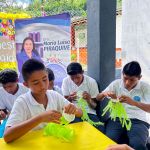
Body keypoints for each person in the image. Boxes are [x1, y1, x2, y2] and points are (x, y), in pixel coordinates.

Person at [4, 59, 82, 143]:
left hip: (54, 143)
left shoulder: (54, 95)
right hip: (33, 144)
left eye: (45, 80)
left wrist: (74, 110)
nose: (42, 86)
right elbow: (7, 136)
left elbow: (80, 113)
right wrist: (40, 118)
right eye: (36, 83)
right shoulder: (22, 102)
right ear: (26, 85)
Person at [96, 61, 150, 150]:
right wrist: (105, 94)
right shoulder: (116, 83)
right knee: (108, 142)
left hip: (138, 120)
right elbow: (98, 98)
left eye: (132, 80)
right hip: (116, 119)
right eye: (125, 78)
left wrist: (134, 103)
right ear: (122, 74)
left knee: (138, 144)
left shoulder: (145, 87)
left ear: (139, 78)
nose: (127, 82)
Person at [61, 62, 104, 132]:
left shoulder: (91, 82)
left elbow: (95, 106)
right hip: (74, 112)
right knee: (77, 129)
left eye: (78, 77)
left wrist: (88, 99)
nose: (75, 81)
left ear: (82, 72)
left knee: (100, 129)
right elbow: (64, 102)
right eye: (72, 78)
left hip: (89, 112)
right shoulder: (66, 81)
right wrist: (70, 98)